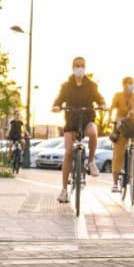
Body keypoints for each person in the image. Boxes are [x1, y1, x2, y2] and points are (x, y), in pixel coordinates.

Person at [51, 57, 106, 203]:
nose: (79, 68)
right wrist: (56, 106)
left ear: (85, 67)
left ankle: (91, 162)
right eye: (77, 65)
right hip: (71, 121)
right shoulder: (66, 86)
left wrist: (102, 104)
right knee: (68, 152)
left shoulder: (91, 85)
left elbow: (99, 98)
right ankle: (64, 190)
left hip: (87, 118)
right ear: (72, 67)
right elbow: (59, 99)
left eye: (82, 65)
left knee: (93, 132)